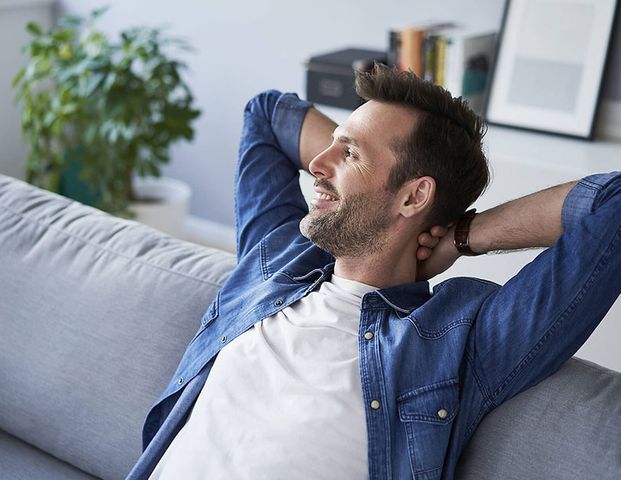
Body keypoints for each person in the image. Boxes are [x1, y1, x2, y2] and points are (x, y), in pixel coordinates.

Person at [127, 64, 621, 480]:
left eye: (350, 153)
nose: (318, 163)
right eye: (333, 144)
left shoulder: (457, 338)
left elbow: (612, 204)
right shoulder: (277, 260)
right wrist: (356, 166)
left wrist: (465, 236)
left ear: (413, 196)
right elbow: (266, 112)